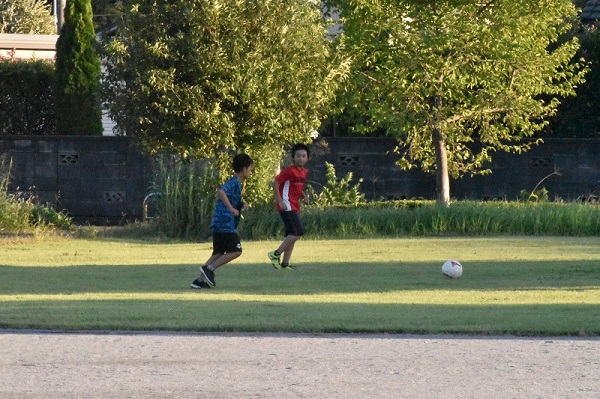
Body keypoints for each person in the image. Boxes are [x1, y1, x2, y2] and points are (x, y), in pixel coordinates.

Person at [191, 153, 253, 289]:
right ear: (244, 169)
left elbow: (232, 198)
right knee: (236, 250)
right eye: (250, 168)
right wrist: (231, 208)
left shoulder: (237, 183)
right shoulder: (234, 182)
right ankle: (210, 269)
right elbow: (221, 191)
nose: (250, 171)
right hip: (225, 223)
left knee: (218, 252)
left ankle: (199, 281)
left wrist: (241, 204)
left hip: (219, 222)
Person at [267, 143, 310, 270]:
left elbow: (296, 186)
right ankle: (275, 254)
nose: (301, 158)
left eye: (303, 156)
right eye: (298, 156)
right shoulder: (289, 171)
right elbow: (275, 183)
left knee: (291, 235)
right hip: (287, 205)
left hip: (295, 205)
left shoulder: (303, 172)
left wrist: (303, 196)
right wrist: (279, 200)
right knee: (298, 232)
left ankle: (285, 264)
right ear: (293, 157)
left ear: (307, 158)